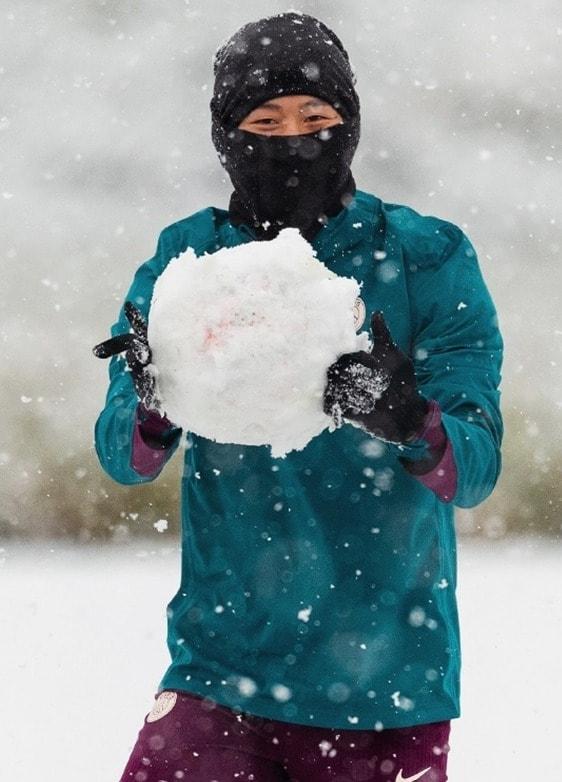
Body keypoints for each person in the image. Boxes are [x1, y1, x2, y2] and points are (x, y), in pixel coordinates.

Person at [93, 12, 503, 782]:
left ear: (351, 127)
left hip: (387, 682)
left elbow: (477, 467)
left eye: (318, 119)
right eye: (265, 121)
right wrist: (154, 402)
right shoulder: (188, 258)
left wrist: (413, 418)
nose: (293, 142)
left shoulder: (425, 256)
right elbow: (124, 457)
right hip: (221, 667)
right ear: (227, 135)